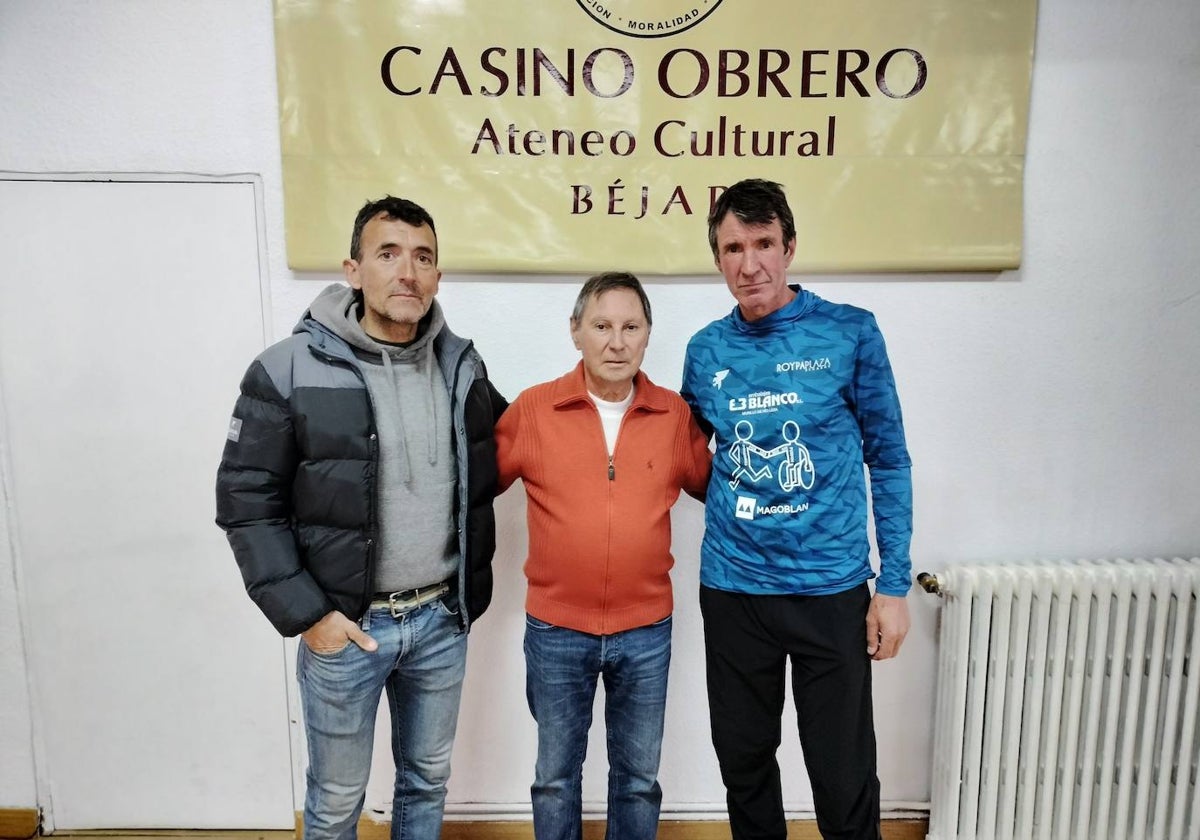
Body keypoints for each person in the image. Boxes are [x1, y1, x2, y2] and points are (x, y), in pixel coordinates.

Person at [215, 196, 507, 840]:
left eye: (423, 257)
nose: (408, 271)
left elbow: (517, 443)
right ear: (353, 269)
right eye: (388, 253)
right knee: (336, 798)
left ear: (436, 275)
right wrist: (308, 616)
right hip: (347, 629)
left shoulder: (463, 367)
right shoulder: (287, 368)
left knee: (427, 783)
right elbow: (245, 501)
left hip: (439, 622)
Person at [680, 179, 913, 840]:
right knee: (745, 765)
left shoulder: (851, 333)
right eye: (732, 248)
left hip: (830, 590)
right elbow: (694, 456)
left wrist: (892, 584)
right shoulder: (706, 350)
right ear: (717, 257)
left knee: (843, 774)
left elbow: (889, 458)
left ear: (789, 248)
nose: (748, 264)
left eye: (763, 245)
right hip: (733, 592)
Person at [494, 272, 711, 840]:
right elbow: (472, 484)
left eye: (630, 327)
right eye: (602, 326)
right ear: (576, 332)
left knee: (638, 778)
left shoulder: (672, 415)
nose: (616, 342)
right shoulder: (535, 410)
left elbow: (716, 486)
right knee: (555, 777)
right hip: (556, 628)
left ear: (646, 336)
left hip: (646, 630)